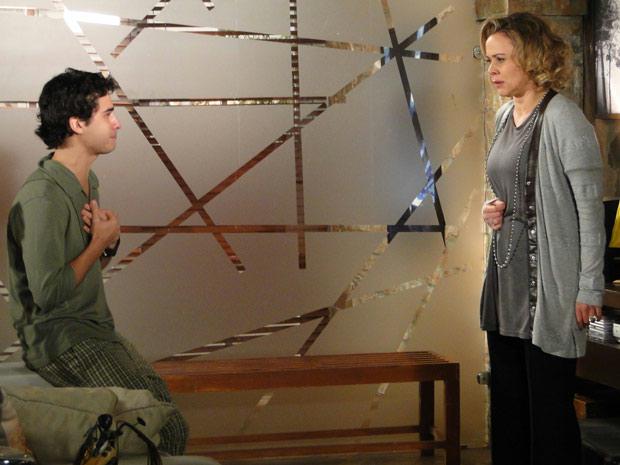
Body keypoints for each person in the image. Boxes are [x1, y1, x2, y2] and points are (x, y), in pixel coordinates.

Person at [6, 68, 188, 455]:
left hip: (94, 328)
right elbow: (49, 294)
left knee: (167, 414)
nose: (117, 123)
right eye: (108, 113)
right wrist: (99, 243)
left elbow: (82, 274)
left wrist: (106, 246)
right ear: (77, 124)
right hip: (62, 341)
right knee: (167, 430)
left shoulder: (88, 182)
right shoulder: (43, 198)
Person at [479, 12, 605, 465]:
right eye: (488, 60)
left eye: (501, 59)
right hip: (506, 279)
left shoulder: (563, 118)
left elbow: (590, 211)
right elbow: (510, 188)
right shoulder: (503, 116)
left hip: (548, 286)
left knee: (549, 411)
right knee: (509, 404)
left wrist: (590, 286)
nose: (492, 70)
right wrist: (493, 209)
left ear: (531, 58)